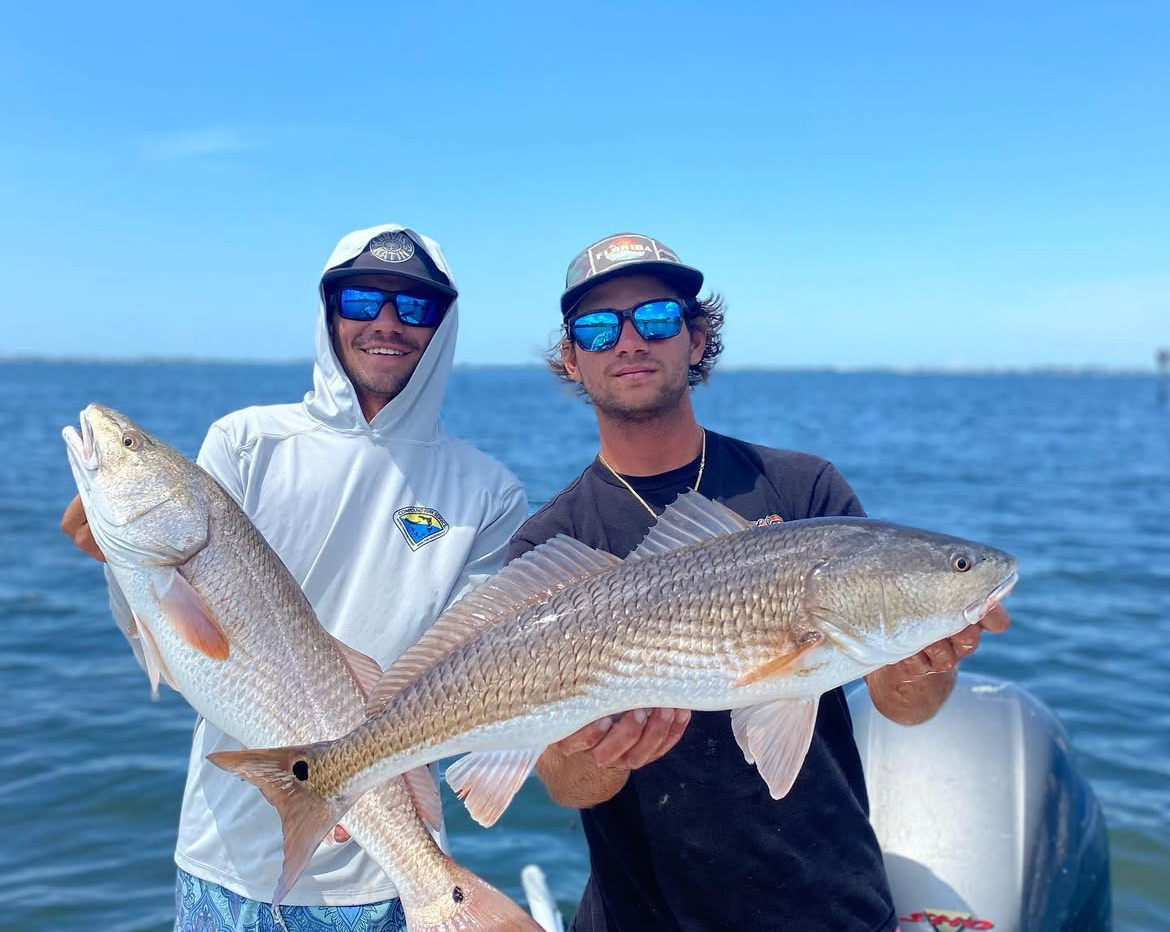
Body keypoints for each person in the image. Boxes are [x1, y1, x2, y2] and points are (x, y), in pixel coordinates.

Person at [506, 232, 1012, 932]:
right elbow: (567, 785)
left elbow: (904, 707)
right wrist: (593, 755)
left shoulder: (804, 486)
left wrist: (923, 666)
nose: (628, 341)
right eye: (597, 327)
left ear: (697, 335)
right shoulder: (551, 543)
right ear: (571, 357)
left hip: (829, 905)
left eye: (655, 318)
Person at [62, 224, 529, 931]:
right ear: (328, 309)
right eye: (363, 298)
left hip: (389, 877)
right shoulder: (245, 442)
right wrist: (118, 560)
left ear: (444, 324)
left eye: (416, 307)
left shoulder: (489, 492)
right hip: (226, 861)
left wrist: (354, 775)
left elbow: (463, 675)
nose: (386, 323)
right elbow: (174, 642)